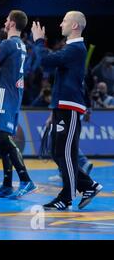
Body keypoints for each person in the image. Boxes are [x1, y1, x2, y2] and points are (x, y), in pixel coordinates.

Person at [32, 11, 102, 210]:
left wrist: (38, 41)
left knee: (65, 153)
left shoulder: (76, 48)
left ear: (74, 26)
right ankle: (88, 186)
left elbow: (45, 61)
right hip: (63, 107)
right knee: (58, 151)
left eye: (64, 20)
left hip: (70, 107)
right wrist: (53, 111)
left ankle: (68, 196)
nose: (60, 23)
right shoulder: (72, 49)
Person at [0, 10, 36, 199]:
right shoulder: (20, 44)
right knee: (0, 137)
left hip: (5, 93)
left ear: (12, 23)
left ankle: (25, 179)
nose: (5, 22)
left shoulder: (8, 43)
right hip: (15, 93)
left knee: (4, 137)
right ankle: (7, 184)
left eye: (7, 19)